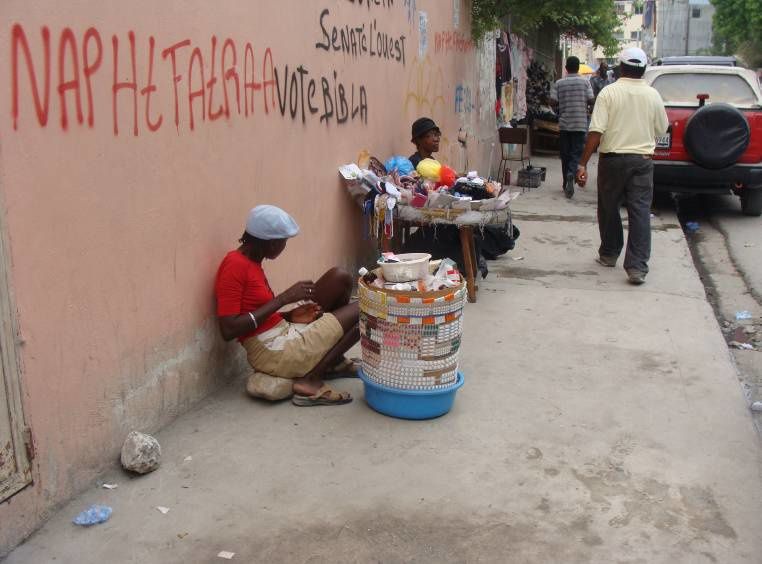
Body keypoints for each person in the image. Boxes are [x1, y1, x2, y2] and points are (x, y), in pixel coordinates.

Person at [214, 205, 360, 406]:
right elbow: (229, 329)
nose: (284, 247)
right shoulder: (235, 265)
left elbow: (256, 314)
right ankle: (312, 379)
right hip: (274, 351)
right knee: (365, 310)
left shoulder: (251, 262)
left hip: (282, 331)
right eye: (283, 242)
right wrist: (282, 299)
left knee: (340, 277)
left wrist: (290, 315)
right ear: (271, 243)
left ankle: (334, 362)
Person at [575, 47, 669, 286]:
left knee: (608, 207)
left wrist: (582, 163)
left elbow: (596, 131)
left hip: (613, 160)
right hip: (642, 161)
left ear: (622, 68)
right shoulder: (653, 95)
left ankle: (609, 253)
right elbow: (661, 129)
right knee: (639, 212)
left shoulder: (609, 93)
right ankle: (636, 268)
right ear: (643, 69)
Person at [549, 56, 594, 198]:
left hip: (564, 124)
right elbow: (591, 99)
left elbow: (552, 102)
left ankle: (565, 182)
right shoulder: (585, 82)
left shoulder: (559, 83)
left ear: (566, 68)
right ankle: (570, 174)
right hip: (580, 124)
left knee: (565, 154)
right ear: (578, 68)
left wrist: (562, 103)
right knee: (576, 153)